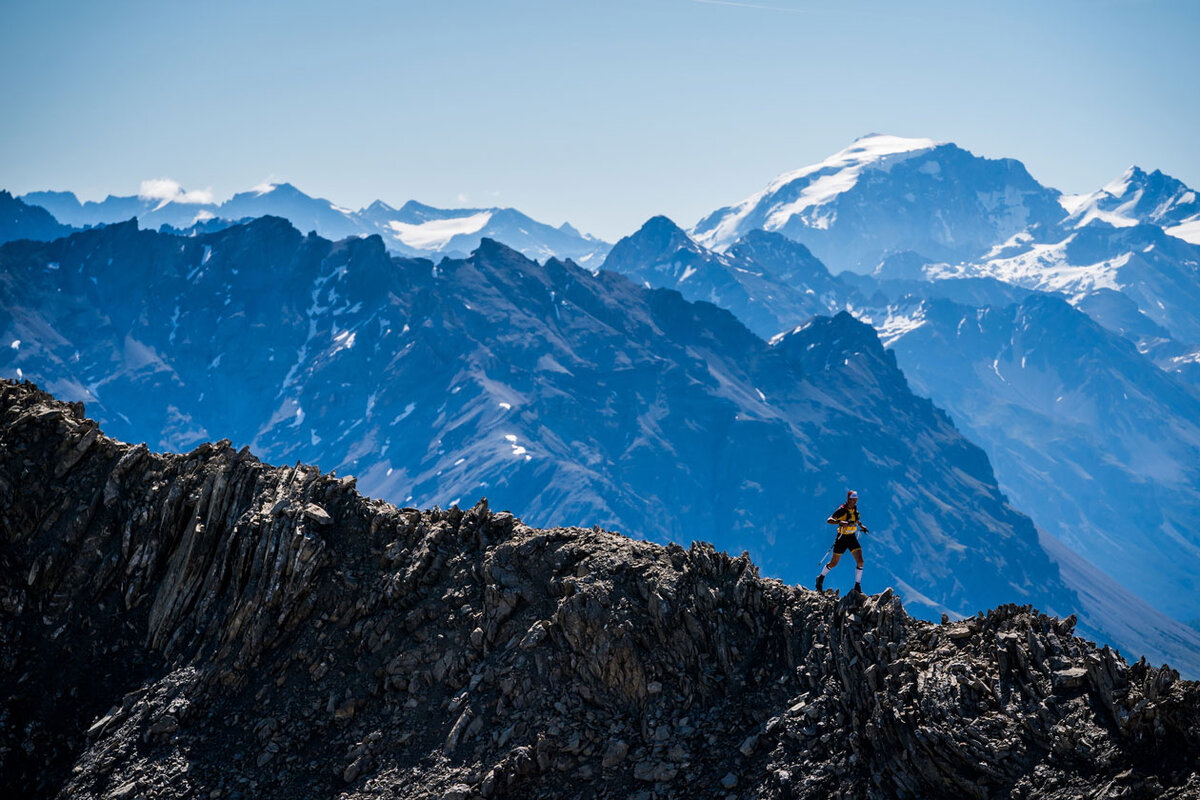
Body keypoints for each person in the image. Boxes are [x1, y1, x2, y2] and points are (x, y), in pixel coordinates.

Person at [815, 490, 870, 593]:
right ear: (848, 499)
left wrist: (862, 526)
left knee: (860, 561)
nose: (855, 502)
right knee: (834, 563)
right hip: (841, 538)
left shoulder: (855, 511)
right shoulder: (842, 510)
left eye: (855, 500)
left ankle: (857, 586)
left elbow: (857, 520)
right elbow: (829, 520)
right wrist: (840, 522)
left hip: (852, 537)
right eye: (853, 500)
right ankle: (821, 578)